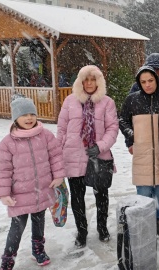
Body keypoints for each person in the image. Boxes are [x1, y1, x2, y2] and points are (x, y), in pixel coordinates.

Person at [0, 97, 65, 269]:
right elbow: (3, 170)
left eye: (32, 114)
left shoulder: (45, 135)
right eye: (24, 114)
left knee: (39, 221)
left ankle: (38, 249)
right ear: (15, 118)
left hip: (42, 189)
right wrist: (4, 193)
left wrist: (58, 176)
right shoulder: (8, 143)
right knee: (17, 228)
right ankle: (8, 258)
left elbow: (56, 156)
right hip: (19, 195)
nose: (29, 118)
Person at [57, 65, 119, 248]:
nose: (90, 83)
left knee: (102, 196)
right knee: (77, 198)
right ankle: (82, 231)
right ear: (80, 81)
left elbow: (112, 129)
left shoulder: (107, 102)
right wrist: (56, 154)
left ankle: (102, 227)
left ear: (99, 81)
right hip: (72, 156)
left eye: (93, 79)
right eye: (86, 79)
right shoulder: (69, 101)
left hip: (98, 158)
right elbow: (61, 130)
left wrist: (100, 146)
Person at [119, 66, 159, 237]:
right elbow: (122, 120)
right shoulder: (132, 100)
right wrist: (131, 137)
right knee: (143, 191)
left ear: (156, 80)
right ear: (139, 83)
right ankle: (145, 219)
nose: (147, 85)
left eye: (150, 80)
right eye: (143, 82)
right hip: (142, 151)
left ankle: (156, 219)